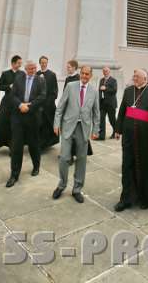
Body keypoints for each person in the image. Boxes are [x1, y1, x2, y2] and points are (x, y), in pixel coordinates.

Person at [114, 69, 148, 211]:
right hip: (129, 138)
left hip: (146, 138)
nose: (134, 78)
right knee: (127, 166)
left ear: (145, 78)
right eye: (134, 76)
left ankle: (145, 198)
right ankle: (126, 199)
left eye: (137, 77)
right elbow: (123, 110)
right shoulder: (128, 90)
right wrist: (118, 129)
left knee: (145, 167)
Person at [52, 66, 99, 203]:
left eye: (87, 74)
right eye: (82, 73)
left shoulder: (94, 91)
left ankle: (77, 189)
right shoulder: (71, 86)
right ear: (80, 74)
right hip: (68, 126)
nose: (84, 76)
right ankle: (61, 185)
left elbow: (96, 113)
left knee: (81, 159)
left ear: (90, 76)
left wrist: (95, 130)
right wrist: (56, 124)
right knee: (64, 158)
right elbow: (60, 106)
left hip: (83, 129)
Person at [6, 60, 46, 187]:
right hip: (18, 117)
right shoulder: (18, 79)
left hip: (33, 117)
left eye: (34, 68)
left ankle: (36, 166)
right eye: (30, 68)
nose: (33, 71)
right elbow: (12, 96)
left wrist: (30, 106)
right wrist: (20, 105)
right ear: (25, 69)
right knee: (16, 145)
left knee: (34, 144)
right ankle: (14, 174)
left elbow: (42, 96)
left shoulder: (41, 80)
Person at [37, 55, 59, 149]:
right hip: (38, 105)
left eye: (45, 62)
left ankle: (45, 144)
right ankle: (39, 144)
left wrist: (47, 103)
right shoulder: (36, 74)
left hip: (48, 106)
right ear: (40, 63)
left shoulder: (52, 74)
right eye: (42, 62)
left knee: (47, 126)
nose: (43, 64)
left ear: (47, 63)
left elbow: (55, 91)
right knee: (39, 125)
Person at [97, 66, 117, 140]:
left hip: (111, 103)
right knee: (101, 119)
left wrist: (106, 88)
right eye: (104, 71)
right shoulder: (101, 80)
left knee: (112, 119)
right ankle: (102, 136)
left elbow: (114, 90)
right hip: (102, 103)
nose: (105, 72)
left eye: (106, 71)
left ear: (109, 72)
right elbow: (99, 90)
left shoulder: (113, 80)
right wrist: (98, 100)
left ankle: (115, 132)